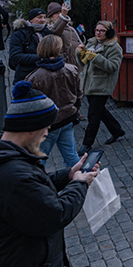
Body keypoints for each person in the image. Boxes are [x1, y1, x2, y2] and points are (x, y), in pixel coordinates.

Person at [0, 81, 99, 267]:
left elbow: (33, 189)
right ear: (32, 128)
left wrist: (68, 175)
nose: (47, 133)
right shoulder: (11, 174)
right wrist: (79, 184)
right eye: (46, 127)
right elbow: (54, 214)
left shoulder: (3, 155)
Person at [29, 35, 82, 169]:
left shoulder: (34, 78)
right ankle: (79, 179)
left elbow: (32, 107)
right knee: (71, 156)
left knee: (39, 160)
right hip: (67, 118)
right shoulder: (71, 69)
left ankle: (39, 181)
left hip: (48, 125)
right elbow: (78, 94)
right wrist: (75, 109)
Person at [77, 20, 125, 153]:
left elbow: (113, 67)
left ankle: (87, 144)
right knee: (99, 110)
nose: (98, 33)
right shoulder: (91, 42)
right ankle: (117, 130)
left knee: (93, 115)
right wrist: (79, 53)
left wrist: (95, 58)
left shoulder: (114, 47)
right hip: (89, 84)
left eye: (102, 31)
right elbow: (82, 62)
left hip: (101, 86)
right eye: (97, 30)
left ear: (109, 33)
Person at [9, 8, 50, 83]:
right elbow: (15, 56)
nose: (43, 20)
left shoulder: (46, 32)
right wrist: (40, 58)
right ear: (31, 20)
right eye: (39, 17)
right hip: (26, 76)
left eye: (44, 17)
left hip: (45, 75)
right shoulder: (19, 34)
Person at [46, 1, 81, 66]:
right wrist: (63, 16)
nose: (59, 14)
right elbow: (55, 31)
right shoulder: (50, 27)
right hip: (66, 62)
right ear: (51, 16)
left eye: (60, 12)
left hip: (77, 60)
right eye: (56, 13)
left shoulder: (69, 27)